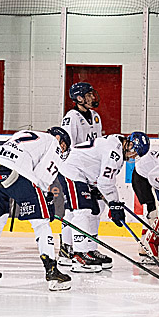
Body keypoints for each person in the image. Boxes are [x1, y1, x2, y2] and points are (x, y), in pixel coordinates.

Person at [0, 127, 72, 291]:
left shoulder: (24, 134)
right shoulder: (52, 142)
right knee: (41, 223)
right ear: (59, 139)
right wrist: (44, 198)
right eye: (64, 146)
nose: (62, 150)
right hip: (17, 173)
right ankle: (52, 271)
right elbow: (42, 178)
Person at [57, 132, 150, 273]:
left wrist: (114, 204)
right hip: (72, 172)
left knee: (97, 208)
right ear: (129, 143)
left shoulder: (117, 146)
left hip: (86, 177)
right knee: (83, 211)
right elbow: (106, 182)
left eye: (136, 155)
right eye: (133, 151)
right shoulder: (115, 152)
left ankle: (90, 250)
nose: (132, 156)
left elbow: (102, 179)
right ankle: (78, 255)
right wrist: (115, 203)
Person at [58, 81, 103, 261]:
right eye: (89, 94)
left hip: (89, 170)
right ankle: (67, 248)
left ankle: (90, 247)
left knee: (95, 208)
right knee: (75, 209)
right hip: (73, 169)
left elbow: (98, 145)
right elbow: (67, 146)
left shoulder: (96, 116)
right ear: (79, 98)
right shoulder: (71, 117)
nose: (93, 97)